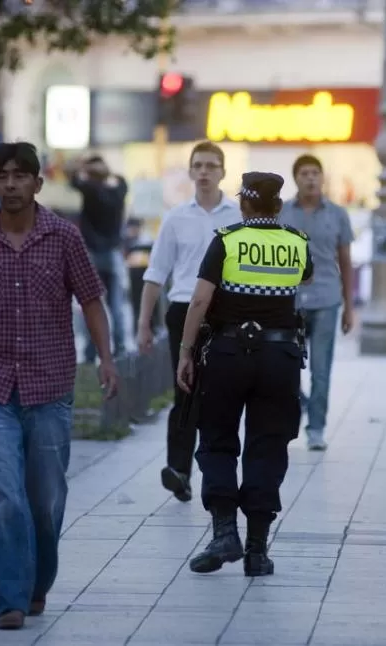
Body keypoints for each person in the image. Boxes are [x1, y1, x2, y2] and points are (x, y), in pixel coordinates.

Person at [0, 142, 119, 631]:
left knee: (45, 500)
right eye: (2, 176)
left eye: (22, 176)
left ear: (38, 184)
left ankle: (38, 581)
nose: (12, 184)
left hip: (49, 386)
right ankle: (11, 597)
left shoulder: (64, 237)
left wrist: (105, 359)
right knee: (2, 495)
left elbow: (90, 300)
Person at [175, 172, 313, 577]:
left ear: (244, 204)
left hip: (228, 353)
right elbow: (307, 276)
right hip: (280, 356)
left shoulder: (227, 239)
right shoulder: (297, 242)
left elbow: (200, 299)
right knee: (268, 446)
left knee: (217, 439)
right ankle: (257, 549)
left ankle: (224, 533)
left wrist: (185, 352)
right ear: (279, 205)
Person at [137, 141, 242, 502]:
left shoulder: (237, 217)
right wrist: (143, 325)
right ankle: (179, 469)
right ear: (190, 171)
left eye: (211, 165)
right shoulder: (176, 217)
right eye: (198, 165)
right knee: (184, 391)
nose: (204, 171)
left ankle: (216, 472)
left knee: (219, 397)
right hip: (183, 310)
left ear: (223, 172)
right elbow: (156, 274)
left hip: (224, 314)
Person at [279, 154, 355, 450]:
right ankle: (304, 407)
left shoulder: (337, 214)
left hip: (326, 299)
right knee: (286, 369)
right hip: (290, 301)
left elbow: (346, 261)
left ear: (322, 178)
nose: (310, 178)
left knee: (321, 369)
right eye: (304, 173)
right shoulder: (282, 213)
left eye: (315, 173)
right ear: (296, 179)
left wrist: (349, 306)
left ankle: (316, 428)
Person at [69, 154, 129, 362]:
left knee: (90, 303)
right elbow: (122, 180)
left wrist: (83, 167)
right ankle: (120, 346)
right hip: (113, 254)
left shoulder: (90, 190)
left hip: (91, 254)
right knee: (116, 304)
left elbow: (74, 179)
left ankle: (90, 351)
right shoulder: (119, 191)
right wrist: (106, 170)